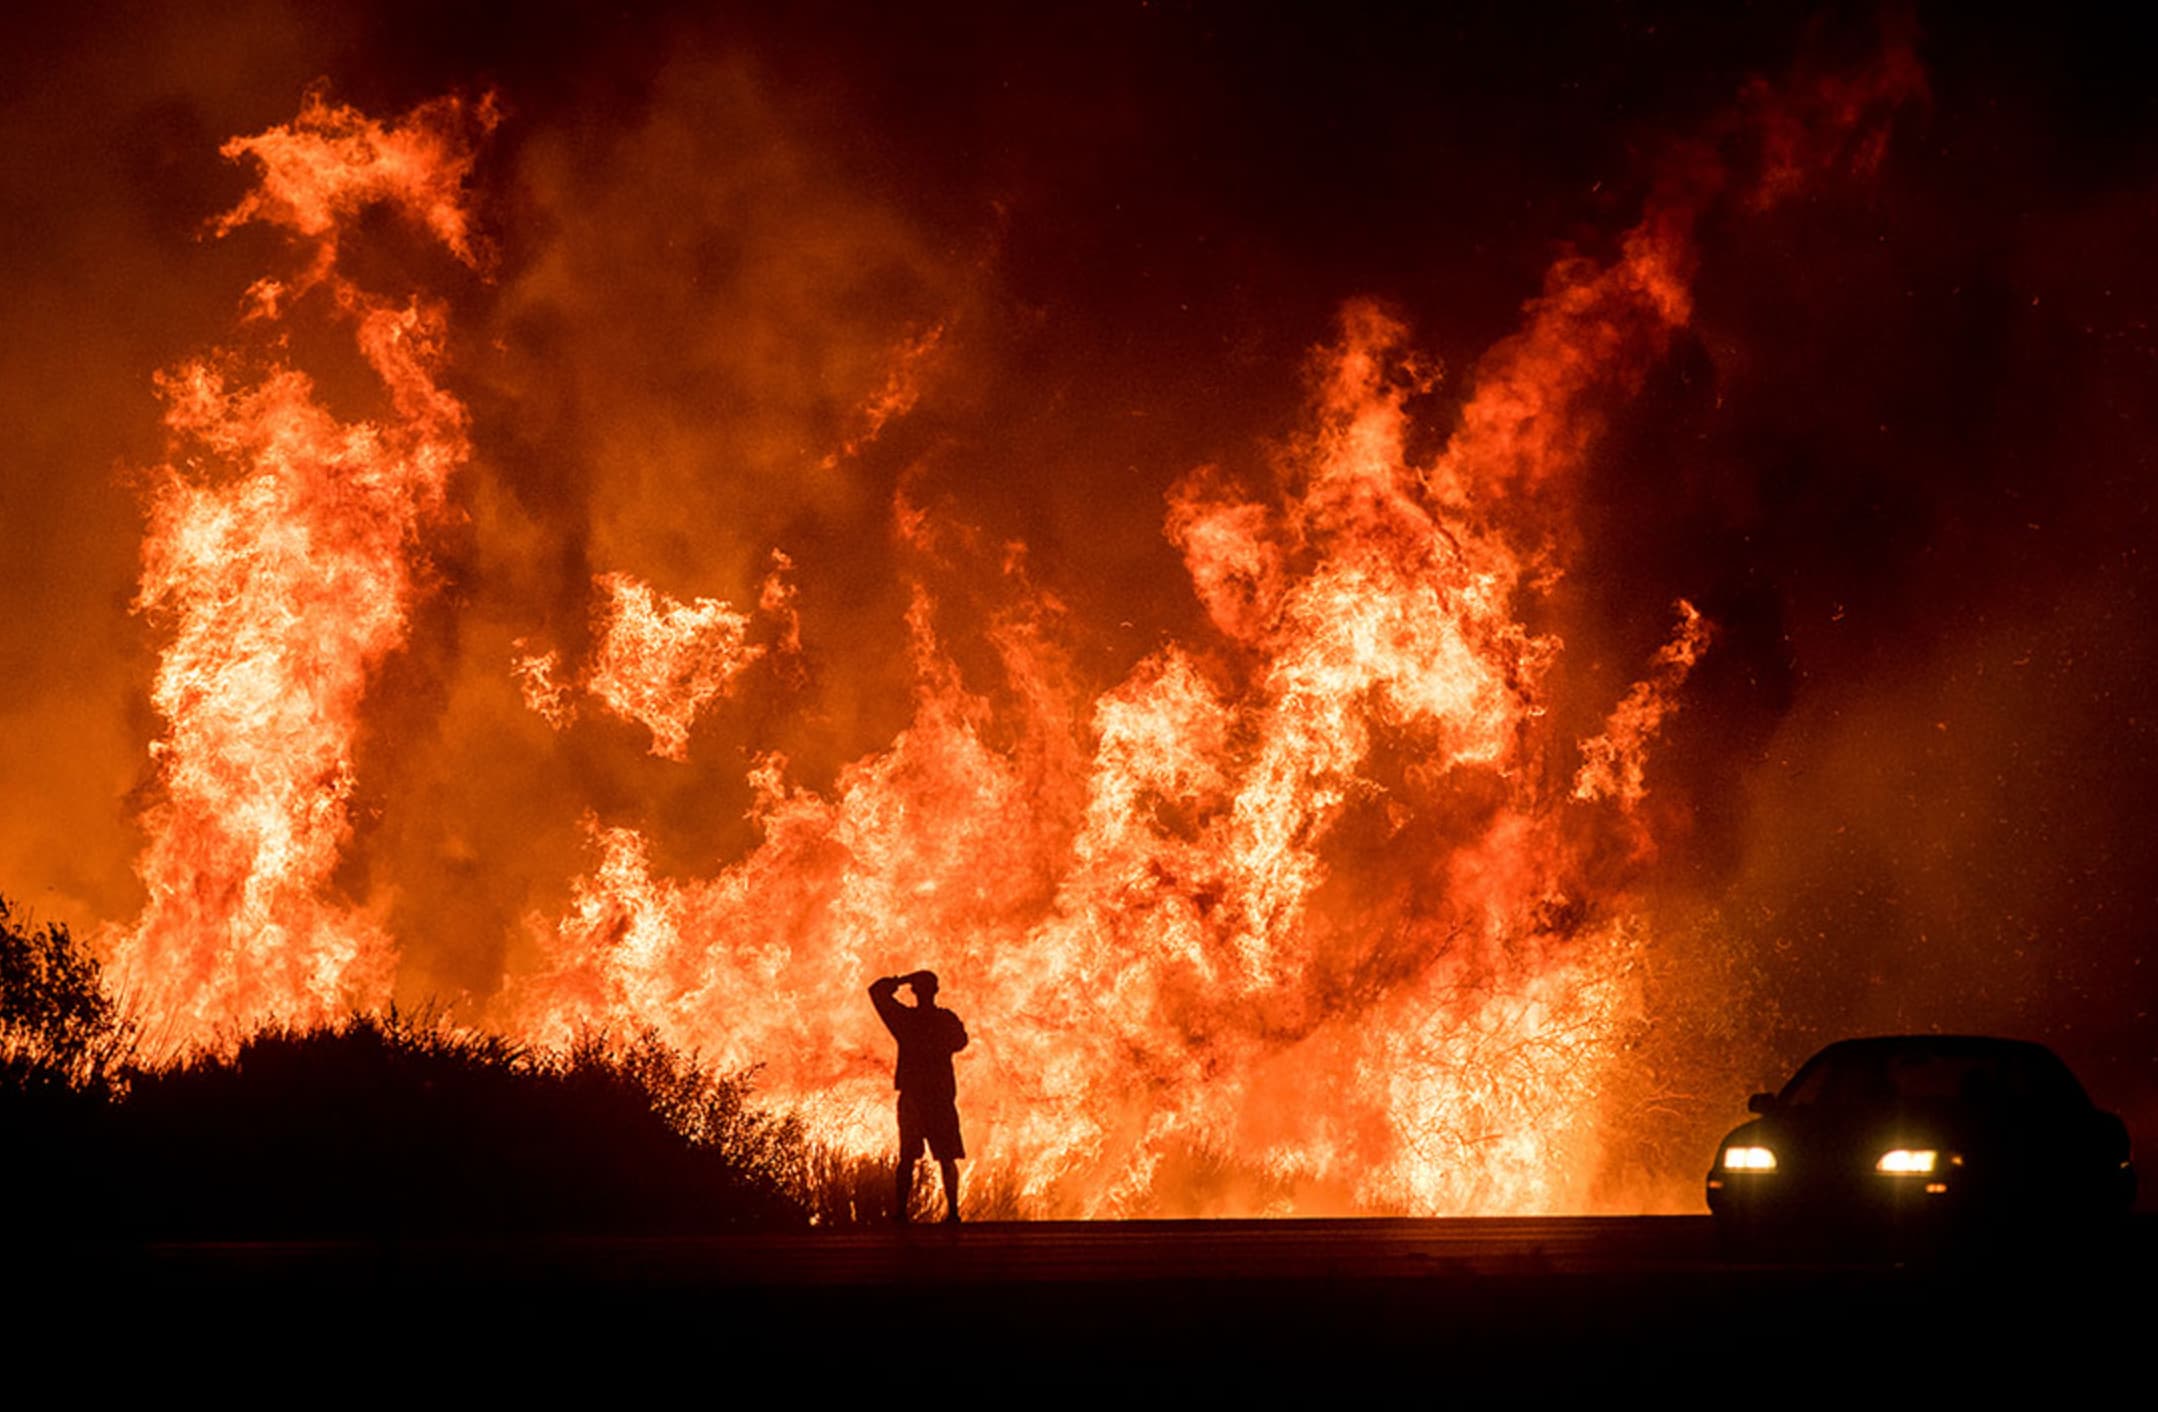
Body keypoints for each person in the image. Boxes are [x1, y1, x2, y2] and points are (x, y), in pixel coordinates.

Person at [869, 969, 968, 1223]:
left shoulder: (905, 1021)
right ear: (936, 990)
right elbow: (961, 1041)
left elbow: (877, 991)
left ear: (914, 991)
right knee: (945, 1157)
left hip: (916, 1097)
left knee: (908, 1158)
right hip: (937, 1096)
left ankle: (901, 1214)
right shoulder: (944, 1019)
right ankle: (953, 1214)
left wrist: (903, 979)